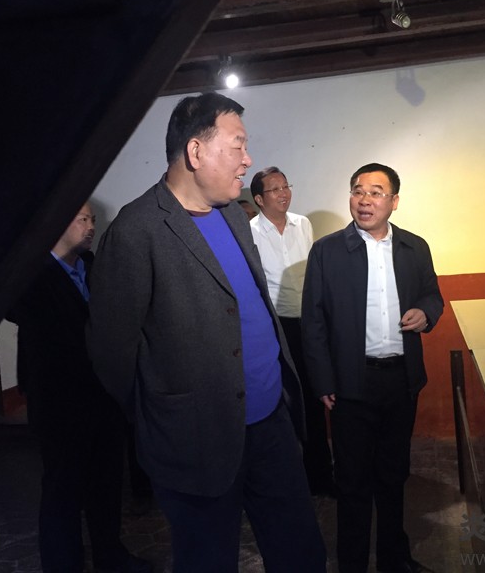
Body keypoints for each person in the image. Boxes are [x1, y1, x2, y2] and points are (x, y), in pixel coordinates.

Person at [86, 92, 326, 573]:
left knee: (301, 552)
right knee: (207, 561)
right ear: (195, 152)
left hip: (270, 424)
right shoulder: (136, 231)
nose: (248, 159)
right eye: (238, 145)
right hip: (195, 440)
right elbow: (112, 354)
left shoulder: (234, 212)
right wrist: (165, 413)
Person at [302, 163, 444, 573]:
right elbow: (313, 321)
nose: (364, 200)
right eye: (358, 191)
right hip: (350, 385)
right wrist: (323, 381)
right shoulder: (327, 251)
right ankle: (352, 563)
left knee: (394, 474)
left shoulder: (415, 247)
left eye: (376, 192)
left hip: (400, 380)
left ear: (394, 201)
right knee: (352, 481)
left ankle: (394, 558)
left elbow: (433, 295)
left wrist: (425, 313)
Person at [7, 204, 151, 573]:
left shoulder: (90, 265)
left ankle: (110, 555)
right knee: (63, 490)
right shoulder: (32, 275)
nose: (91, 227)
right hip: (61, 403)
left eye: (93, 220)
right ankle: (63, 564)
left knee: (106, 484)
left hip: (103, 396)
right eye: (82, 219)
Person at [249, 166, 335, 496]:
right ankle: (286, 477)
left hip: (310, 322)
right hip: (276, 327)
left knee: (316, 398)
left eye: (286, 186)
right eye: (275, 189)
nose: (284, 193)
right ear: (259, 199)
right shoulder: (250, 232)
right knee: (282, 402)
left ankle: (320, 475)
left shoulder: (303, 224)